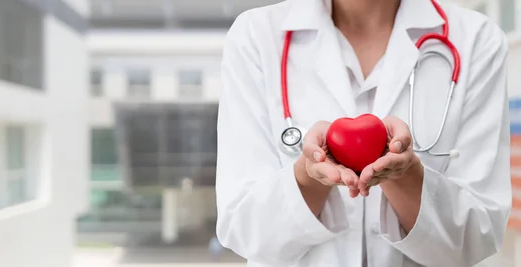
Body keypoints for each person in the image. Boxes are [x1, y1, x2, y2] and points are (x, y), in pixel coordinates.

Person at [215, 0, 511, 266]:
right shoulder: (255, 36)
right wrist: (308, 177)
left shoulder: (477, 40)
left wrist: (405, 175)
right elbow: (243, 230)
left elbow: (477, 237)